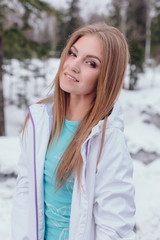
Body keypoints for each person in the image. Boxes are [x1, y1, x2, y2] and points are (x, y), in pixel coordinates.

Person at [11, 22, 136, 240]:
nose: (73, 66)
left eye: (90, 63)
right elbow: (25, 192)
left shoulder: (107, 138)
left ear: (106, 77)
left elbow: (115, 226)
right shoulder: (39, 121)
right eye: (72, 53)